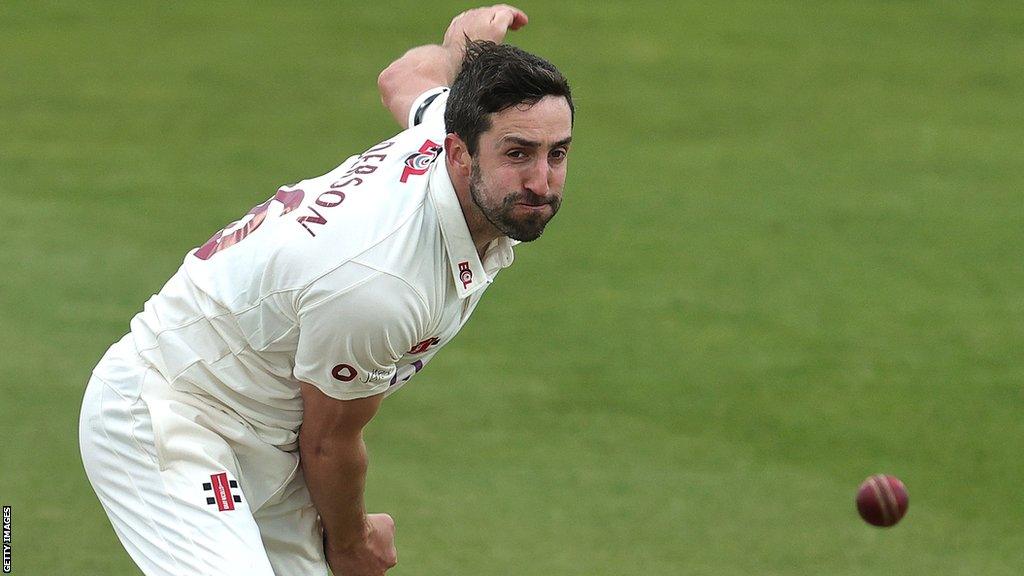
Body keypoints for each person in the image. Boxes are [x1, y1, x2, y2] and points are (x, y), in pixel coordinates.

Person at [78, 4, 574, 576]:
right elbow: (329, 444)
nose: (541, 180)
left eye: (556, 153)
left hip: (270, 431)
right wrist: (352, 541)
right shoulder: (381, 282)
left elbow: (404, 77)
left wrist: (464, 49)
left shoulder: (446, 131)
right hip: (172, 412)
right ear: (459, 153)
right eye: (517, 154)